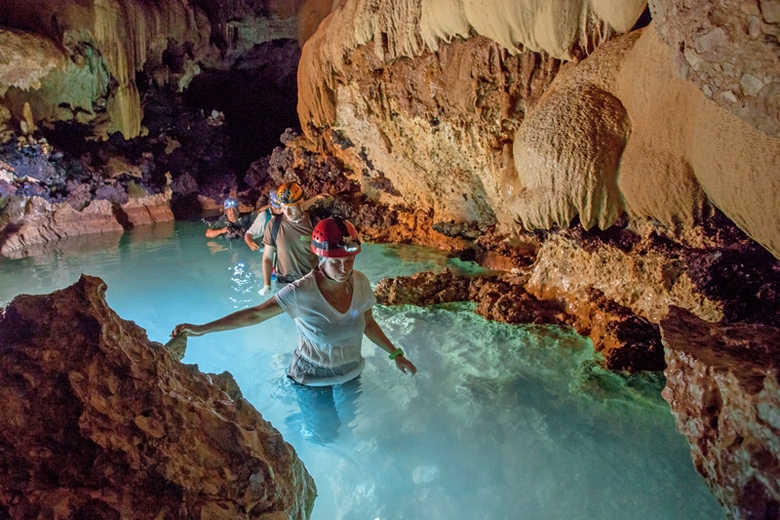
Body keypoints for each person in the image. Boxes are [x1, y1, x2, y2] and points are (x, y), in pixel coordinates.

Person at [171, 216, 417, 386]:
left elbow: (369, 323)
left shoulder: (360, 282)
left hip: (352, 372)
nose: (344, 268)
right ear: (321, 258)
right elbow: (256, 314)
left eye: (349, 260)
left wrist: (395, 354)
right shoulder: (301, 291)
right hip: (311, 378)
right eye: (336, 262)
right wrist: (202, 329)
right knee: (325, 438)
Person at [258, 182, 318, 294]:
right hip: (284, 284)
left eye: (291, 208)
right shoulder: (273, 225)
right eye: (283, 208)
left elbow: (326, 257)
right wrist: (267, 285)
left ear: (301, 203)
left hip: (310, 282)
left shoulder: (314, 224)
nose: (287, 213)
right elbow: (267, 257)